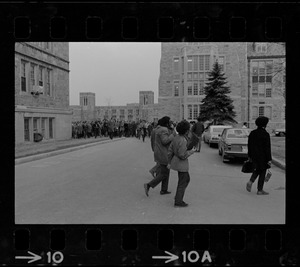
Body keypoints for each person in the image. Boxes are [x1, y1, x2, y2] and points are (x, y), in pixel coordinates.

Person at [144, 116, 176, 196]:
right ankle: (149, 185)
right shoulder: (163, 129)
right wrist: (173, 135)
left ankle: (164, 190)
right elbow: (165, 141)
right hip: (163, 153)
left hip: (159, 152)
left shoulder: (157, 129)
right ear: (166, 123)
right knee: (164, 173)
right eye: (169, 122)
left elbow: (153, 140)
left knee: (166, 171)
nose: (170, 123)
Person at [168, 120, 196, 207]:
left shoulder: (176, 137)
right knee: (183, 182)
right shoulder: (182, 140)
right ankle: (178, 200)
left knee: (185, 179)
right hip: (182, 164)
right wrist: (191, 152)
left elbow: (170, 150)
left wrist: (169, 161)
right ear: (186, 131)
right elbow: (182, 155)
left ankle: (178, 197)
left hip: (176, 161)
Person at [246, 116, 272, 195]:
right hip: (263, 157)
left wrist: (250, 156)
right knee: (262, 172)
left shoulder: (252, 133)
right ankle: (260, 190)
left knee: (257, 169)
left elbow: (249, 145)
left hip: (254, 156)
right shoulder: (265, 134)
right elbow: (267, 148)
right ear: (265, 124)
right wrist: (269, 159)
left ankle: (251, 181)